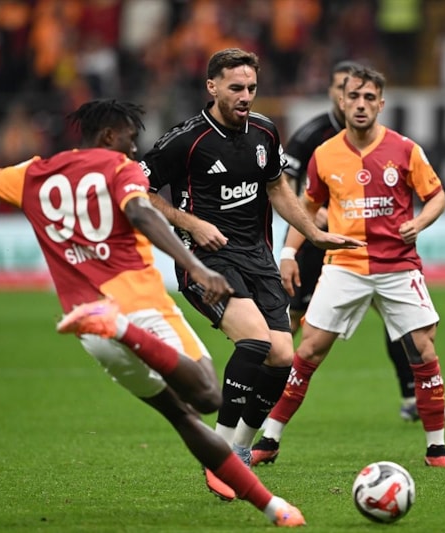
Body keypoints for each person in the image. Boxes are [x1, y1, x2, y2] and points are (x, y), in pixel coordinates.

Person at [0, 99, 306, 527]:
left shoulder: (36, 174)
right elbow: (140, 212)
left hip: (88, 326)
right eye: (131, 140)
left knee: (181, 416)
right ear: (109, 136)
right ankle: (123, 329)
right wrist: (195, 266)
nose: (135, 151)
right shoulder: (120, 170)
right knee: (208, 396)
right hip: (138, 308)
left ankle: (273, 508)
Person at [139, 48, 362, 500]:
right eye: (236, 87)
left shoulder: (264, 131)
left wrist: (312, 235)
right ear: (212, 87)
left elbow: (277, 186)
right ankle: (218, 453)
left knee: (282, 356)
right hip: (206, 261)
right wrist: (191, 223)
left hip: (257, 258)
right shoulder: (187, 140)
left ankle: (239, 449)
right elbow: (138, 188)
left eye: (252, 88)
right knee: (256, 342)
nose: (245, 96)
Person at [251, 64, 445, 469]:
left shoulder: (405, 149)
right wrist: (289, 253)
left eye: (369, 98)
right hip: (344, 265)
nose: (361, 104)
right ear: (342, 101)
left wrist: (420, 221)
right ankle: (270, 439)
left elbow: (437, 196)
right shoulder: (324, 154)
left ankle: (437, 449)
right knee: (309, 349)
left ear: (381, 104)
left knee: (423, 349)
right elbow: (307, 207)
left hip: (398, 265)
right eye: (354, 97)